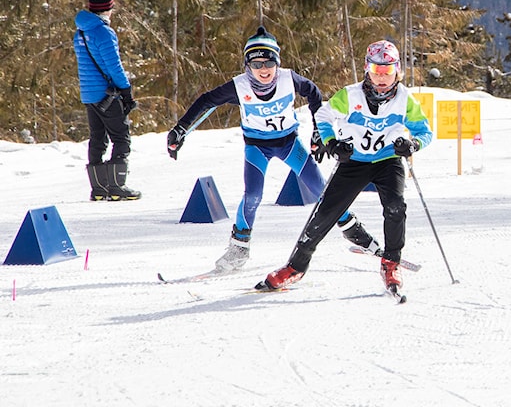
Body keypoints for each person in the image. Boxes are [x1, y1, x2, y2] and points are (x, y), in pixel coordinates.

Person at [165, 26, 378, 272]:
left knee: (321, 188)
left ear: (277, 62)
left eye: (269, 63)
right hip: (257, 147)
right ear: (247, 67)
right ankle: (239, 247)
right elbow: (205, 101)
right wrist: (180, 130)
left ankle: (353, 231)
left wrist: (318, 133)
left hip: (288, 143)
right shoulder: (239, 86)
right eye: (256, 65)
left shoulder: (289, 79)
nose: (263, 70)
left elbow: (313, 93)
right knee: (253, 195)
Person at [257, 39, 434, 293]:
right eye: (376, 71)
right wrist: (332, 142)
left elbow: (425, 132)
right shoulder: (350, 95)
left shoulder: (405, 99)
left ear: (397, 71)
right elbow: (324, 117)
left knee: (396, 206)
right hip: (355, 161)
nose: (382, 78)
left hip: (387, 160)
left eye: (387, 71)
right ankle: (295, 266)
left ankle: (391, 263)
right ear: (367, 69)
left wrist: (412, 144)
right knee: (326, 212)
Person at [73, 0, 141, 201]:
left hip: (89, 95)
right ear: (107, 10)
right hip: (107, 95)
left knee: (97, 138)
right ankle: (116, 186)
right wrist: (126, 90)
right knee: (121, 137)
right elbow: (114, 66)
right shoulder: (104, 32)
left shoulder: (80, 32)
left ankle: (99, 188)